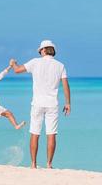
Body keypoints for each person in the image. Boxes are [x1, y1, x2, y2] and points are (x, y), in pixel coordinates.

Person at [11, 40, 71, 169]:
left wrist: (13, 63)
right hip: (52, 104)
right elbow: (65, 85)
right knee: (51, 134)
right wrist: (68, 103)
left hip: (37, 103)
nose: (39, 52)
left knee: (35, 133)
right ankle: (49, 164)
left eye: (40, 50)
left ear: (43, 50)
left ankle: (33, 164)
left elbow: (17, 70)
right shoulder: (60, 65)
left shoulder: (35, 62)